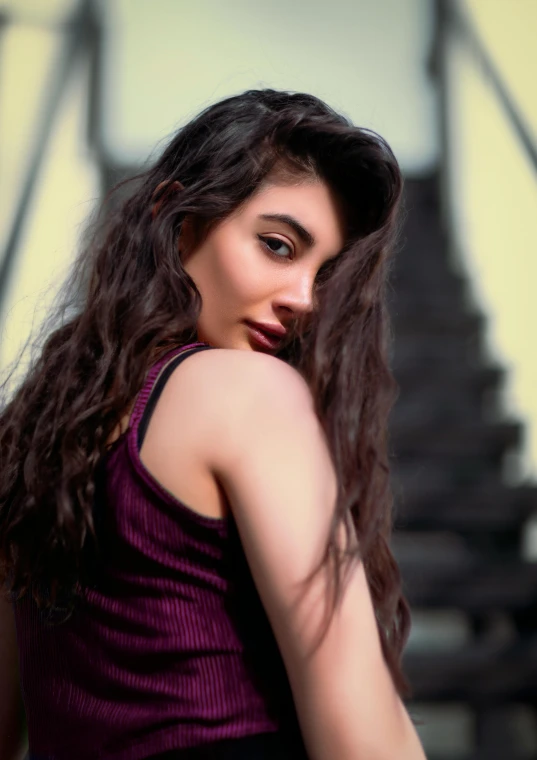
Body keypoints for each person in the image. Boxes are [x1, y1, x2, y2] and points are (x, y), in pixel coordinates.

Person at [0, 89, 426, 760]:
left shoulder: (34, 429)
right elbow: (361, 739)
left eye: (324, 273)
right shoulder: (247, 391)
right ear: (177, 216)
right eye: (279, 246)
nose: (303, 300)